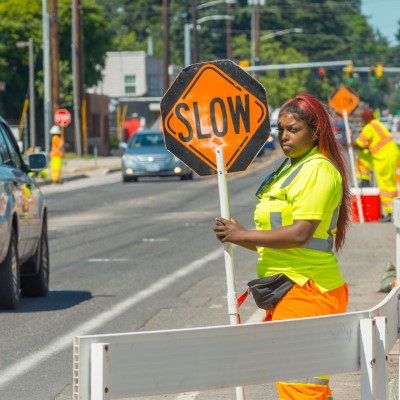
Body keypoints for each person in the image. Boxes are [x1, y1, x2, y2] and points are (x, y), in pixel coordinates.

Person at [214, 94, 351, 400]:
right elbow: (275, 242)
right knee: (306, 388)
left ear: (315, 132)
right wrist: (239, 236)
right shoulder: (289, 169)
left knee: (301, 388)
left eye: (293, 129)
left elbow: (301, 234)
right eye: (280, 130)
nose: (284, 136)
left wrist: (242, 235)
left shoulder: (317, 169)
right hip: (288, 289)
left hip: (309, 289)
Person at [353, 108, 399, 222]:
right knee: (362, 156)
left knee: (386, 185)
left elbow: (359, 144)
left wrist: (350, 144)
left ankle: (391, 212)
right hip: (389, 154)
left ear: (366, 118)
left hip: (384, 157)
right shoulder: (377, 124)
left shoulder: (369, 127)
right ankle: (364, 180)